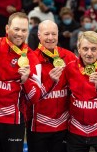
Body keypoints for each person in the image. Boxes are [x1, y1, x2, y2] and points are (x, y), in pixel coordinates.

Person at [0, 12, 42, 152]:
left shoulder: (32, 58)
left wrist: (26, 80)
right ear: (7, 28)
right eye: (16, 29)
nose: (19, 34)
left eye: (23, 30)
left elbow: (35, 97)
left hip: (14, 120)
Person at [27, 20, 76, 152]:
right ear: (39, 35)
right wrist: (50, 81)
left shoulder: (70, 57)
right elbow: (31, 96)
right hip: (38, 126)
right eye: (46, 34)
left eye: (53, 34)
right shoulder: (31, 59)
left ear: (58, 35)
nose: (50, 38)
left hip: (63, 126)